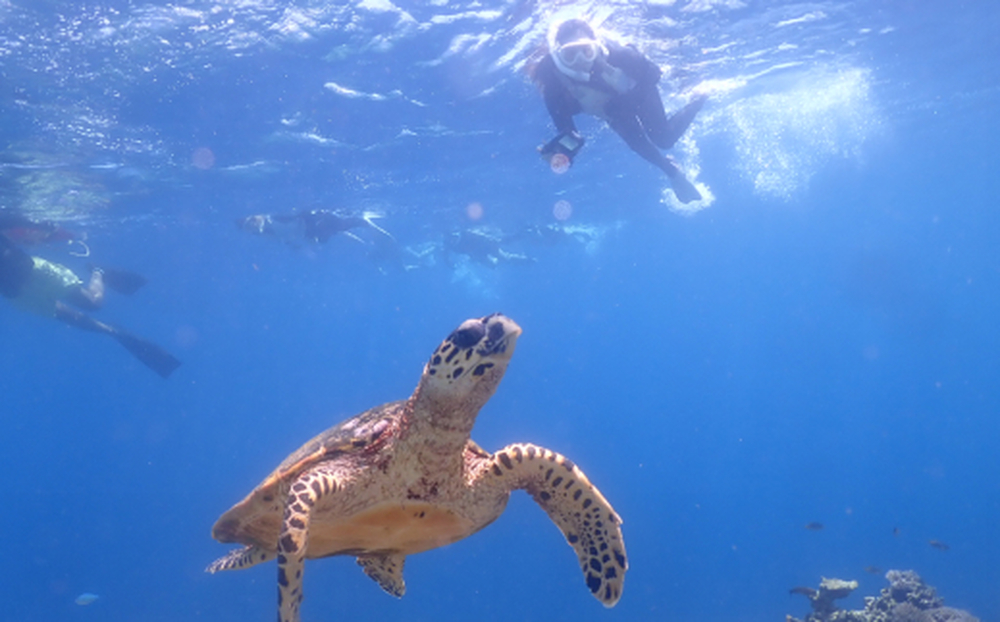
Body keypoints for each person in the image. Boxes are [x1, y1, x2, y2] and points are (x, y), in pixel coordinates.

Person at [531, 18, 705, 203]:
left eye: (586, 51)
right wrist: (562, 154)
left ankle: (700, 96)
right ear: (558, 55)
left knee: (664, 139)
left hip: (639, 92)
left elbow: (653, 74)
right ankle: (674, 174)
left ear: (596, 47)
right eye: (570, 54)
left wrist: (627, 101)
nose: (580, 61)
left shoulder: (619, 54)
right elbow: (568, 133)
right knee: (638, 145)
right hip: (612, 111)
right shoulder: (553, 86)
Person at [0, 234, 181, 378]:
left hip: (36, 274)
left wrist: (42, 229)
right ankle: (114, 331)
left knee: (93, 303)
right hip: (17, 294)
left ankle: (98, 271)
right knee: (73, 319)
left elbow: (14, 225)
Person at [236, 209, 394, 245]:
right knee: (333, 234)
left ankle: (364, 222)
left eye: (252, 221)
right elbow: (283, 238)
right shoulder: (263, 233)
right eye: (248, 228)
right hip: (309, 233)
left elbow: (300, 214)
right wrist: (296, 246)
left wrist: (315, 217)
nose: (253, 227)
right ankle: (353, 229)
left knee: (342, 226)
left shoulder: (273, 218)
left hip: (314, 224)